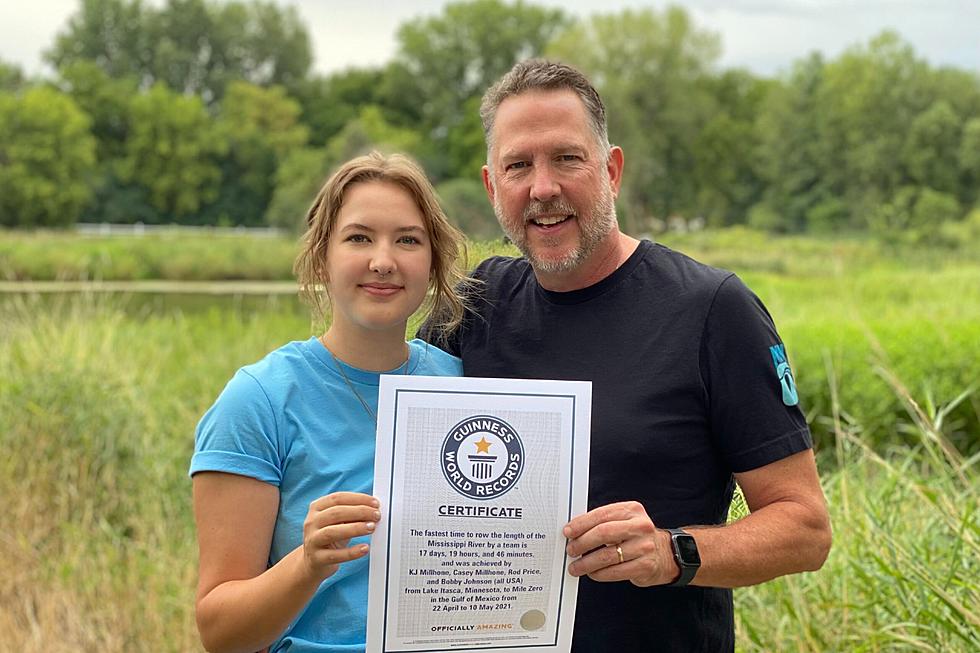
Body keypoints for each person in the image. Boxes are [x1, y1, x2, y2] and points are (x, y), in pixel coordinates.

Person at [422, 60, 832, 651]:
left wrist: (671, 552)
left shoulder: (714, 310)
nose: (542, 188)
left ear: (611, 170)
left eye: (567, 158)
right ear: (492, 187)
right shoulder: (471, 308)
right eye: (519, 166)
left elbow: (805, 528)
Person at [190, 152, 470, 653]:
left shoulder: (462, 384)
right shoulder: (260, 399)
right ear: (322, 256)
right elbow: (220, 632)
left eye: (408, 239)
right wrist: (308, 562)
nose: (383, 260)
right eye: (359, 237)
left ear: (433, 262)